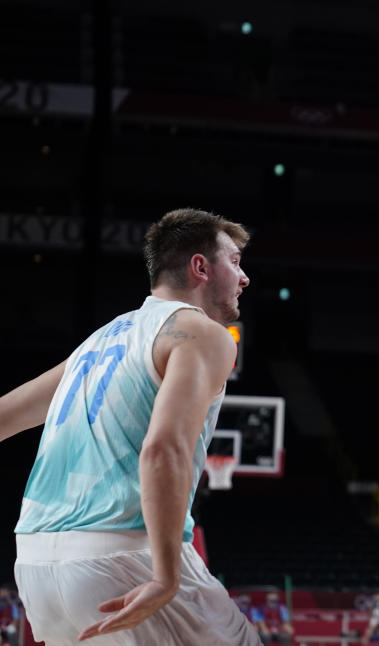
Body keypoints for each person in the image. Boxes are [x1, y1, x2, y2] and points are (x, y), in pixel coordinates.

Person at [0, 208, 260, 645]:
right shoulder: (202, 333)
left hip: (35, 562)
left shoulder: (97, 342)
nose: (244, 276)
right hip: (123, 555)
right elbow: (163, 449)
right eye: (233, 261)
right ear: (200, 267)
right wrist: (165, 576)